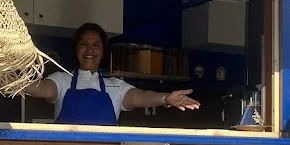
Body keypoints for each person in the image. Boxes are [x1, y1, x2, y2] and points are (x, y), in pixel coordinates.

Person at [26, 23, 200, 125]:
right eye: (84, 44)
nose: (89, 50)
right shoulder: (62, 80)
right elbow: (42, 89)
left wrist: (166, 98)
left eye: (96, 45)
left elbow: (141, 96)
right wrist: (15, 81)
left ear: (103, 52)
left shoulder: (115, 86)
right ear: (76, 49)